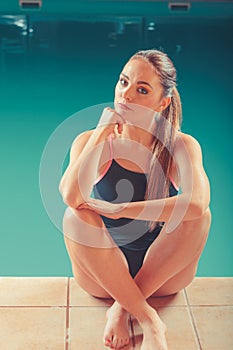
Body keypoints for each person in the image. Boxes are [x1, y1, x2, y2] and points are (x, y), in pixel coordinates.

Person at [59, 49, 211, 350]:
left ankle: (123, 306)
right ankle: (149, 319)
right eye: (123, 82)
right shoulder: (91, 140)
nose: (126, 95)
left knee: (199, 218)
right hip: (102, 276)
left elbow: (197, 204)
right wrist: (101, 134)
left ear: (162, 102)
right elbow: (71, 195)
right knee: (74, 216)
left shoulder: (181, 146)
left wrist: (122, 209)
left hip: (164, 275)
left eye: (142, 89)